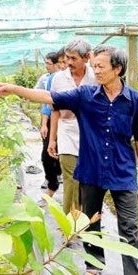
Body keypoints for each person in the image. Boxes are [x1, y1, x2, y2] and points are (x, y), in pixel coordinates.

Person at [0, 45, 138, 275]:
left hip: (123, 172)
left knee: (129, 228)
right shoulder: (85, 96)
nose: (95, 70)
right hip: (91, 169)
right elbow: (47, 97)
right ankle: (94, 264)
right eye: (94, 66)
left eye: (100, 66)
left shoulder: (135, 101)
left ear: (117, 69)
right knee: (90, 221)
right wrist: (14, 90)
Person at [48, 39, 95, 214]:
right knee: (71, 178)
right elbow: (55, 111)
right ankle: (69, 221)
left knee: (87, 180)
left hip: (90, 135)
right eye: (67, 58)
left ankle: (86, 218)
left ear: (86, 58)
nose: (68, 63)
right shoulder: (59, 79)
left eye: (73, 58)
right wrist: (52, 140)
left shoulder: (96, 77)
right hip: (67, 133)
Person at [34, 52, 62, 196]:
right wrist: (44, 124)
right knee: (47, 153)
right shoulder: (50, 79)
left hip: (69, 123)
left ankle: (59, 174)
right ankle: (52, 182)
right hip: (53, 119)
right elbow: (48, 104)